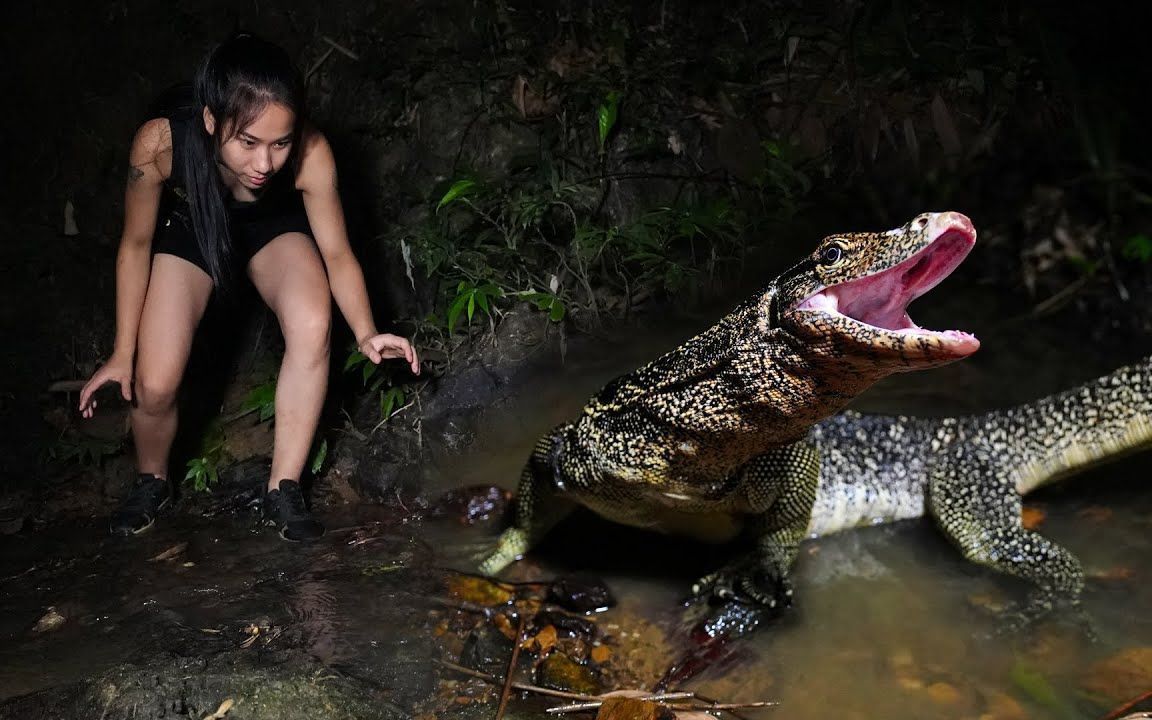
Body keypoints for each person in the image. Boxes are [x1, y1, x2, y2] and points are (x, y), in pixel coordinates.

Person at [78, 33, 419, 541]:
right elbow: (135, 244)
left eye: (279, 143)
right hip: (193, 227)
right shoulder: (160, 144)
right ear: (213, 121)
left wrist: (367, 332)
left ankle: (284, 488)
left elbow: (337, 252)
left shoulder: (313, 152)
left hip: (272, 227)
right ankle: (152, 481)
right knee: (154, 382)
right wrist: (122, 350)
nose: (265, 164)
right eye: (249, 143)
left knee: (313, 321)